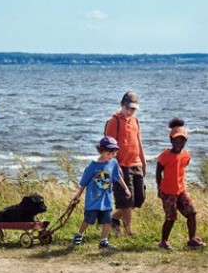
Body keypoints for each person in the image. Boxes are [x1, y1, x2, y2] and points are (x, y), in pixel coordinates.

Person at [71, 136, 131, 250]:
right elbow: (84, 182)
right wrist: (78, 195)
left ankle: (103, 241)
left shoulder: (113, 163)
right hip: (93, 199)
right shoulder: (92, 166)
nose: (111, 156)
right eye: (108, 153)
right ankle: (79, 235)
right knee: (89, 219)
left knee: (107, 220)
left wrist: (126, 188)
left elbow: (117, 177)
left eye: (113, 154)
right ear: (101, 151)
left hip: (106, 199)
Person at [156, 118, 205, 250]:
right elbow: (158, 172)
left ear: (185, 141)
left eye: (182, 140)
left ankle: (192, 240)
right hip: (168, 192)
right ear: (171, 140)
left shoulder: (186, 155)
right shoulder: (164, 155)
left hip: (181, 190)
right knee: (171, 218)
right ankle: (163, 241)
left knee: (192, 212)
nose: (179, 142)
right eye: (176, 140)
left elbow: (182, 168)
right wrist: (160, 189)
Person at [105, 91, 146, 236]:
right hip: (121, 166)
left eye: (133, 109)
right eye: (127, 108)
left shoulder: (135, 121)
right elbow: (109, 148)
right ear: (122, 105)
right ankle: (128, 231)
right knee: (126, 200)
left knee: (139, 199)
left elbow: (138, 142)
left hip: (136, 164)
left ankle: (113, 219)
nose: (129, 111)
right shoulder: (114, 121)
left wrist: (143, 162)